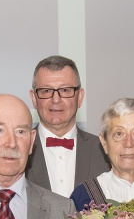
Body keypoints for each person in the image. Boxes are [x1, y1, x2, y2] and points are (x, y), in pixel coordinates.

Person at [25, 55, 109, 196]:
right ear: (34, 98)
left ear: (80, 97)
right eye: (46, 91)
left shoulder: (105, 151)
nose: (56, 100)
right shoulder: (17, 150)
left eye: (65, 90)